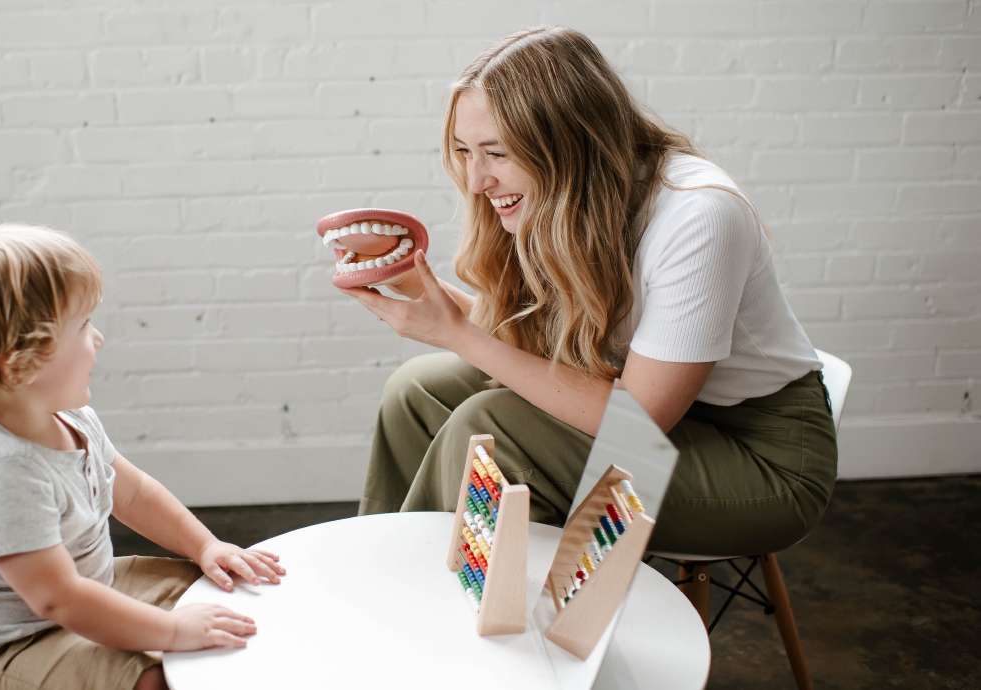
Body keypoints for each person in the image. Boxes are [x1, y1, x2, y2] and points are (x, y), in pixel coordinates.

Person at [343, 27, 837, 557]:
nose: (476, 180)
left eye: (498, 153)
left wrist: (459, 335)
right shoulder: (567, 201)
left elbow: (644, 417)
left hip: (756, 461)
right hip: (651, 415)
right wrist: (419, 289)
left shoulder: (700, 215)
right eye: (465, 152)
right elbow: (526, 342)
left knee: (488, 426)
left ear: (569, 144)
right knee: (416, 391)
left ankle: (439, 611)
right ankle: (389, 570)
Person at [0, 224, 284, 690]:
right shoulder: (0, 473)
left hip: (90, 588)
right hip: (13, 647)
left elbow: (134, 492)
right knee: (150, 679)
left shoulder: (72, 417)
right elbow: (58, 600)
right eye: (82, 326)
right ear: (20, 361)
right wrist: (173, 632)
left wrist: (204, 546)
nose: (97, 338)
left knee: (220, 591)